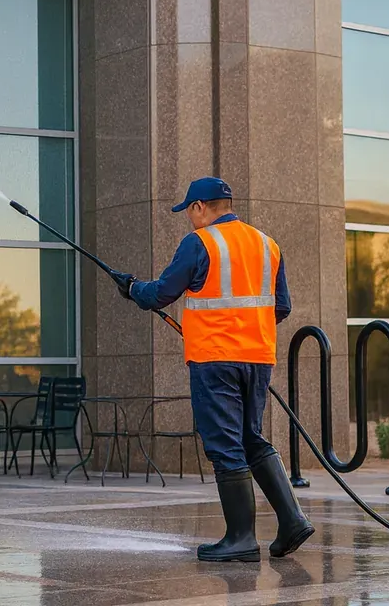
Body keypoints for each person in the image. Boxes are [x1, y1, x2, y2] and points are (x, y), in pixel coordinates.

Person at [109, 177, 313, 563]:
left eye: (189, 210)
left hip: (215, 360)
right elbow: (280, 307)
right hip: (257, 358)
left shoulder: (199, 242)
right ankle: (292, 520)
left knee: (225, 445)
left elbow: (161, 294)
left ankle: (240, 539)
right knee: (251, 438)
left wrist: (132, 287)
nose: (189, 218)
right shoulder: (267, 244)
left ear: (201, 207)